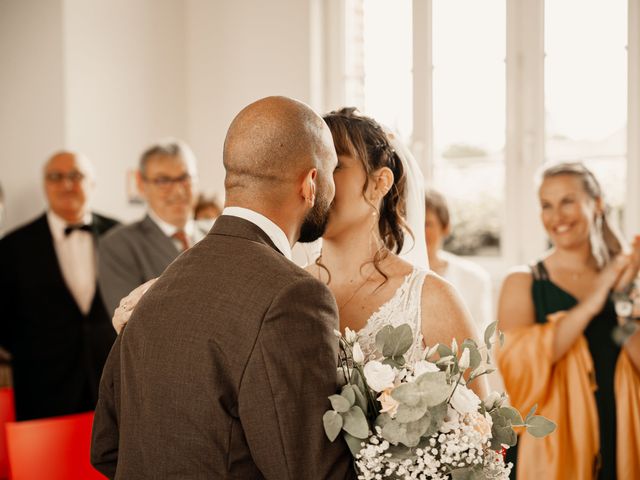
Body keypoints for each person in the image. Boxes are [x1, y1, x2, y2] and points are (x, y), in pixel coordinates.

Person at [90, 96, 354, 479]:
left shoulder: (160, 286)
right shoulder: (293, 295)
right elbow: (311, 471)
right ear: (311, 183)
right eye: (331, 172)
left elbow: (107, 449)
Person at [305, 108, 487, 396]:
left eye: (334, 165)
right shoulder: (286, 290)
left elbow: (479, 432)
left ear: (380, 183)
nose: (316, 180)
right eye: (310, 165)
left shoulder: (431, 300)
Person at [497, 162, 640, 479]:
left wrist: (622, 298)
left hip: (621, 432)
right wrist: (594, 299)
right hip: (551, 446)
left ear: (597, 204)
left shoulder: (625, 277)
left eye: (567, 201)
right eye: (546, 205)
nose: (556, 216)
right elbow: (517, 373)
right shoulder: (523, 281)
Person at [0, 151, 119, 420]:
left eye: (76, 176)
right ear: (45, 185)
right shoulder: (12, 247)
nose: (67, 185)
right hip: (43, 388)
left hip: (112, 385)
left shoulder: (121, 236)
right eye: (56, 177)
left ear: (93, 183)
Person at [98, 139, 206, 315]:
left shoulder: (219, 234)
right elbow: (133, 324)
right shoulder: (119, 245)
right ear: (141, 185)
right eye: (163, 180)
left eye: (185, 178)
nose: (178, 191)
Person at [425, 188, 494, 332]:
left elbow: (483, 340)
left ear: (445, 227)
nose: (419, 231)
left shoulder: (475, 278)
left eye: (427, 224)